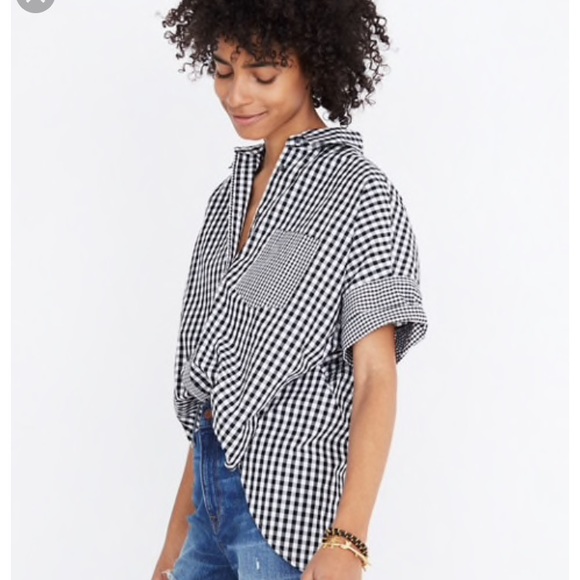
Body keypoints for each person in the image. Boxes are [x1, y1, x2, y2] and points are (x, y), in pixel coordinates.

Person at [153, 1, 429, 578]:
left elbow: (375, 377)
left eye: (263, 74)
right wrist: (174, 543)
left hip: (289, 522)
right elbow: (217, 393)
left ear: (312, 64)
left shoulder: (359, 195)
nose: (236, 95)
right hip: (207, 513)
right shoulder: (225, 202)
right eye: (223, 71)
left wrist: (349, 540)